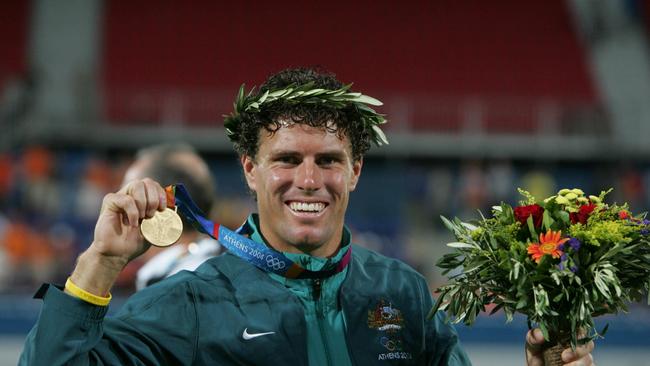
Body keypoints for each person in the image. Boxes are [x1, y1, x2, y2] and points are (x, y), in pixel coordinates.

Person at [19, 67, 594, 365]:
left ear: (357, 170)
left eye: (329, 160)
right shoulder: (191, 304)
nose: (310, 180)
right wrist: (98, 264)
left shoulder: (401, 293)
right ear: (249, 169)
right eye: (287, 159)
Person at [121, 143, 222, 290]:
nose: (119, 205)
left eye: (128, 195)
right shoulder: (219, 272)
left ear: (155, 205)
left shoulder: (181, 288)